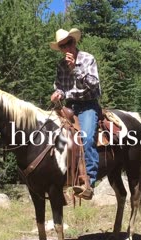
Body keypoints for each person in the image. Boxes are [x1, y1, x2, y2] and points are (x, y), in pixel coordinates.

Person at [50, 28, 101, 200]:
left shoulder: (88, 58)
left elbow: (94, 85)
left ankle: (89, 182)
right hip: (69, 107)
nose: (67, 48)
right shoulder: (60, 66)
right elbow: (61, 88)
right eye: (63, 46)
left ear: (74, 42)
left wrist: (75, 70)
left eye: (69, 43)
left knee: (86, 138)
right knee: (53, 138)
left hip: (88, 105)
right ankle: (60, 180)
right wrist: (57, 94)